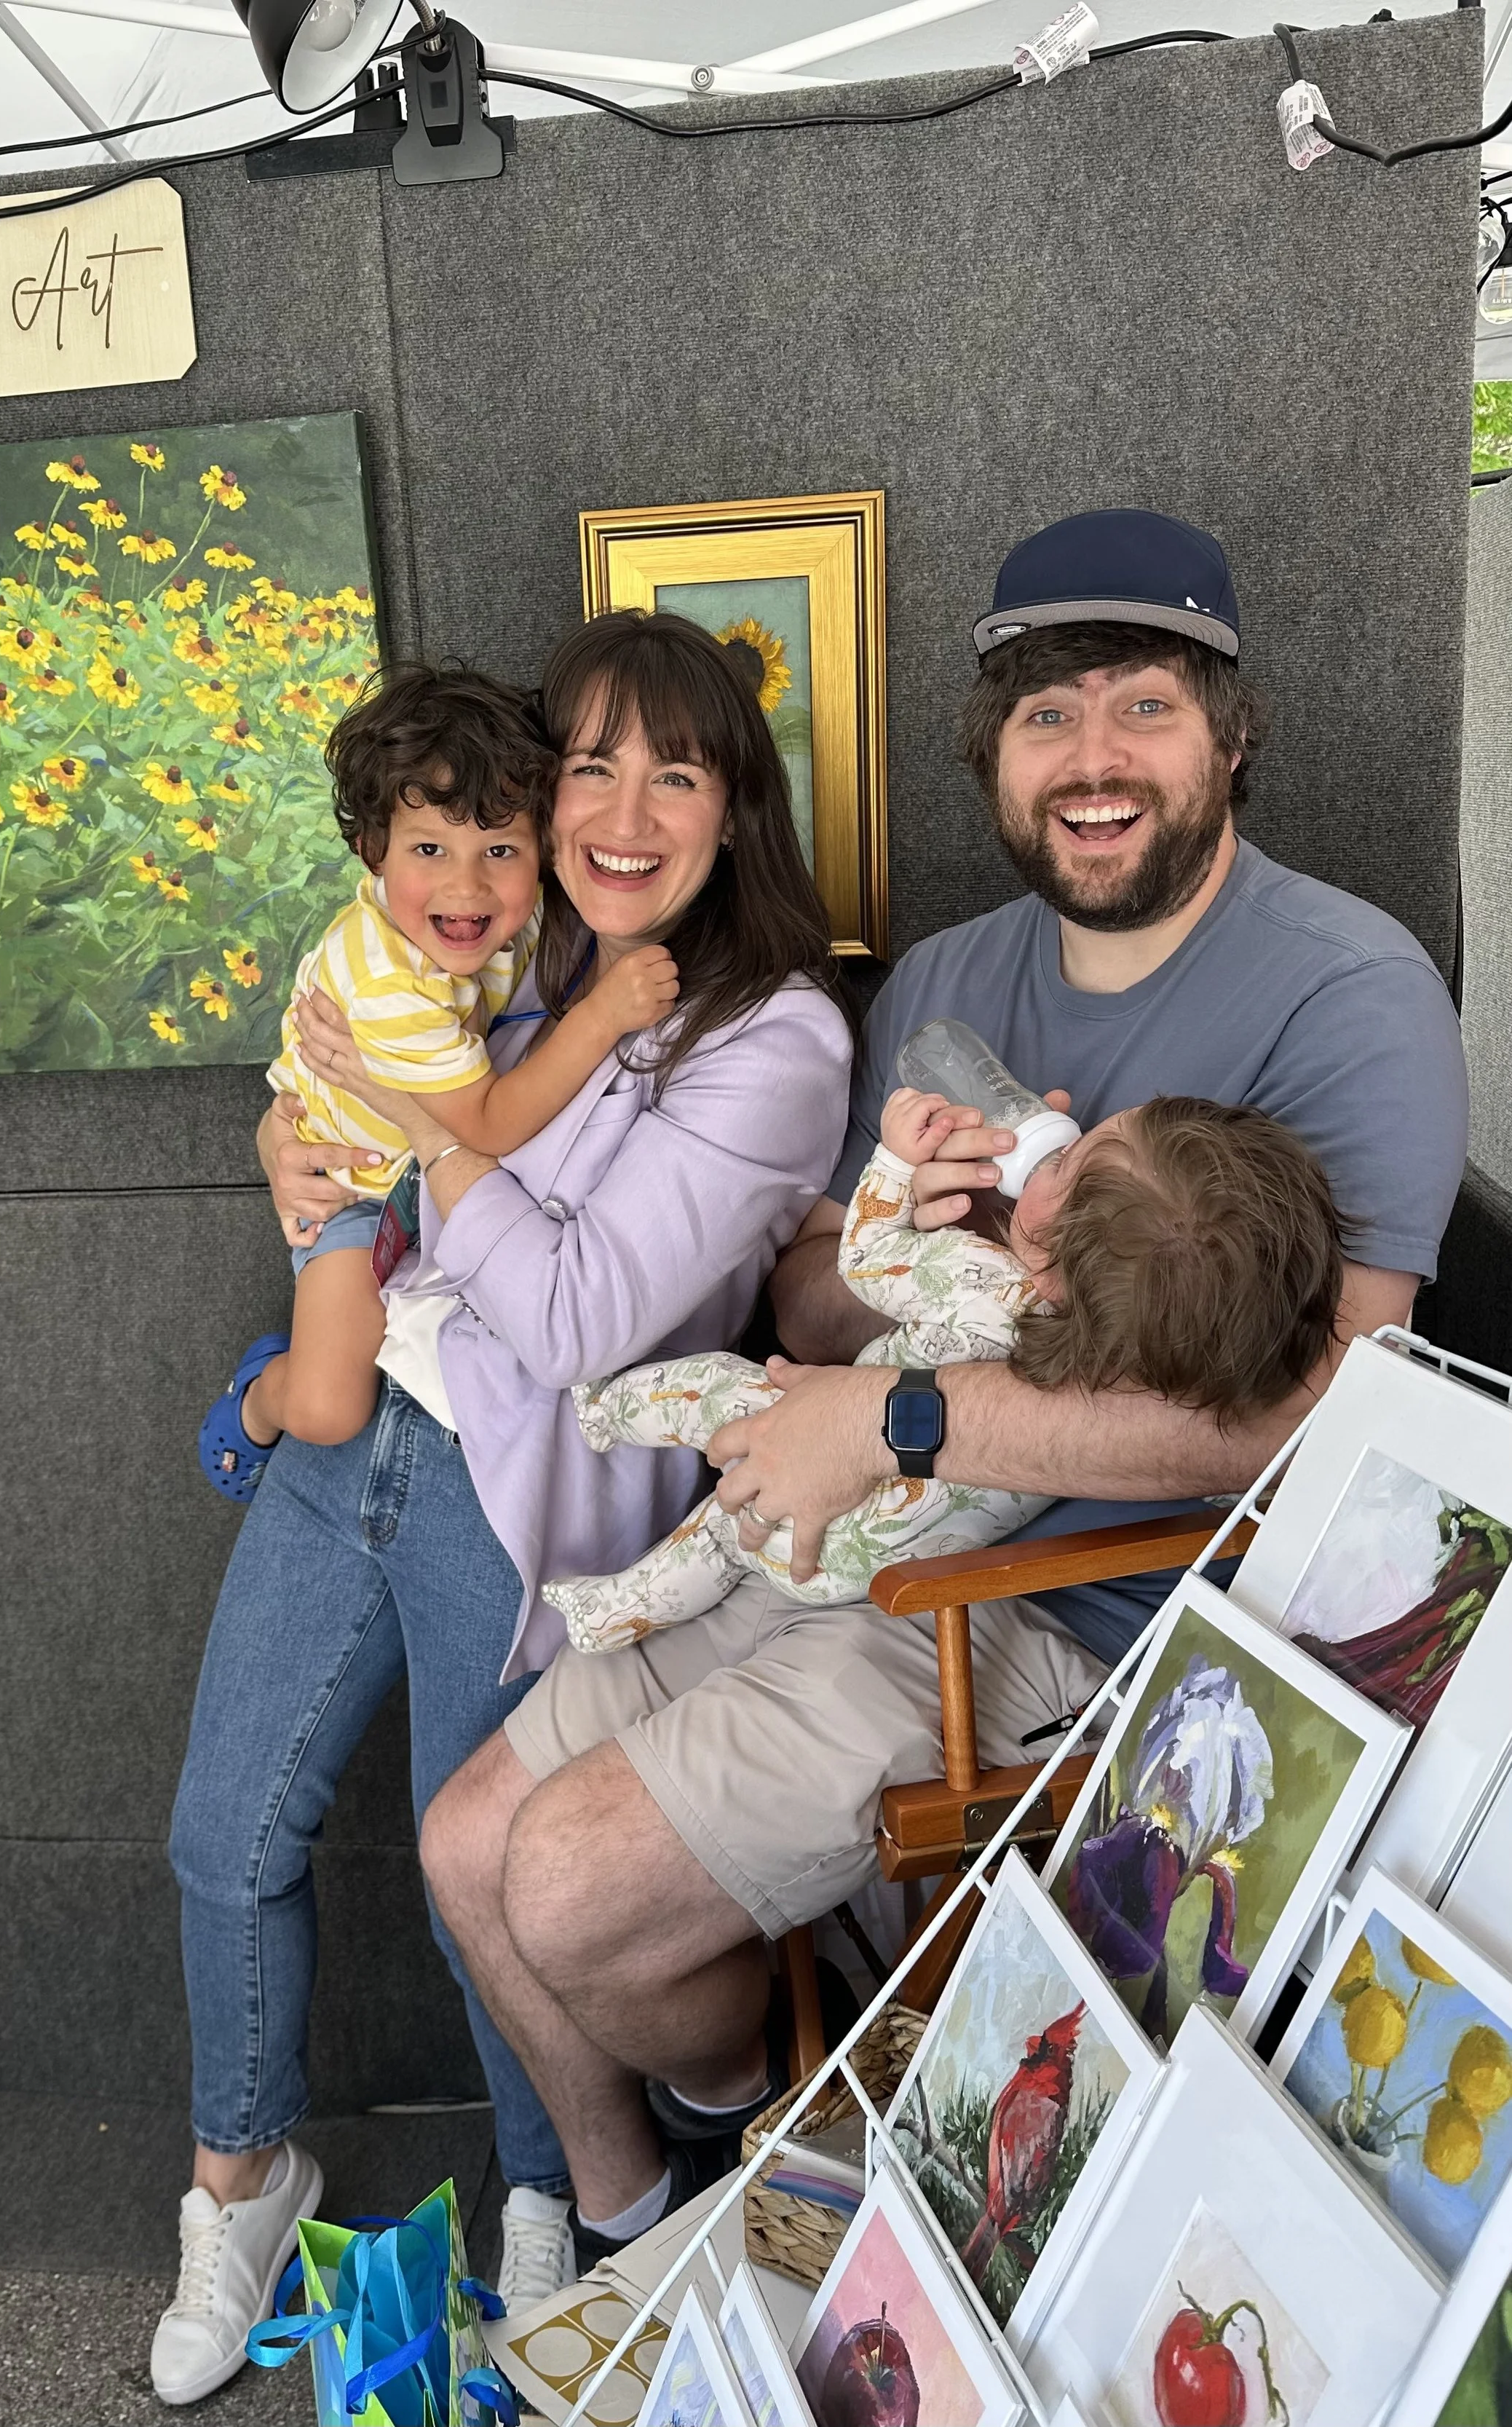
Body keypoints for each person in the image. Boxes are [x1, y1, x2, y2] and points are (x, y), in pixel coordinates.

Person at [419, 508, 1469, 2271]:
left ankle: (794, 2113)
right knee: (465, 1852)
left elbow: (1336, 1412)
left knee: (574, 1889)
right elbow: (814, 1293)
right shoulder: (948, 981)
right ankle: (639, 2228)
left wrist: (921, 1415)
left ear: (1228, 733)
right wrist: (906, 1237)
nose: (1095, 758)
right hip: (836, 1526)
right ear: (993, 753)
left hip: (1079, 1616)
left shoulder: (1348, 986)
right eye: (1048, 715)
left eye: (1144, 704)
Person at [150, 609, 850, 2407]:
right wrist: (300, 1142)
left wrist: (426, 1133)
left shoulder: (773, 1039)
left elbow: (581, 1315)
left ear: (733, 805)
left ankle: (549, 2190)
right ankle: (236, 2180)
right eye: (586, 770)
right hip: (353, 1432)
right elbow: (350, 1109)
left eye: (669, 771)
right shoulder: (511, 962)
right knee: (224, 1837)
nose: (618, 810)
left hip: (513, 1486)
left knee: (480, 1882)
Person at [547, 1089, 1349, 1649]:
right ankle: (609, 1613)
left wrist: (897, 1165)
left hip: (818, 1479)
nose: (1064, 1143)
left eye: (1072, 1162)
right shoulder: (1138, 1378)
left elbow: (864, 1261)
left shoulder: (986, 1288)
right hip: (868, 1574)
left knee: (722, 1398)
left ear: (1045, 1235)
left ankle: (602, 1412)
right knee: (726, 1541)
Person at [197, 662, 678, 1477]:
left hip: (412, 1178)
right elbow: (486, 1122)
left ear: (544, 850)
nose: (467, 886)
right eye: (429, 848)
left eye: (499, 848)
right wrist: (606, 1014)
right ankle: (258, 1396)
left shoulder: (495, 920)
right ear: (371, 850)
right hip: (354, 1193)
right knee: (327, 1408)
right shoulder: (387, 979)